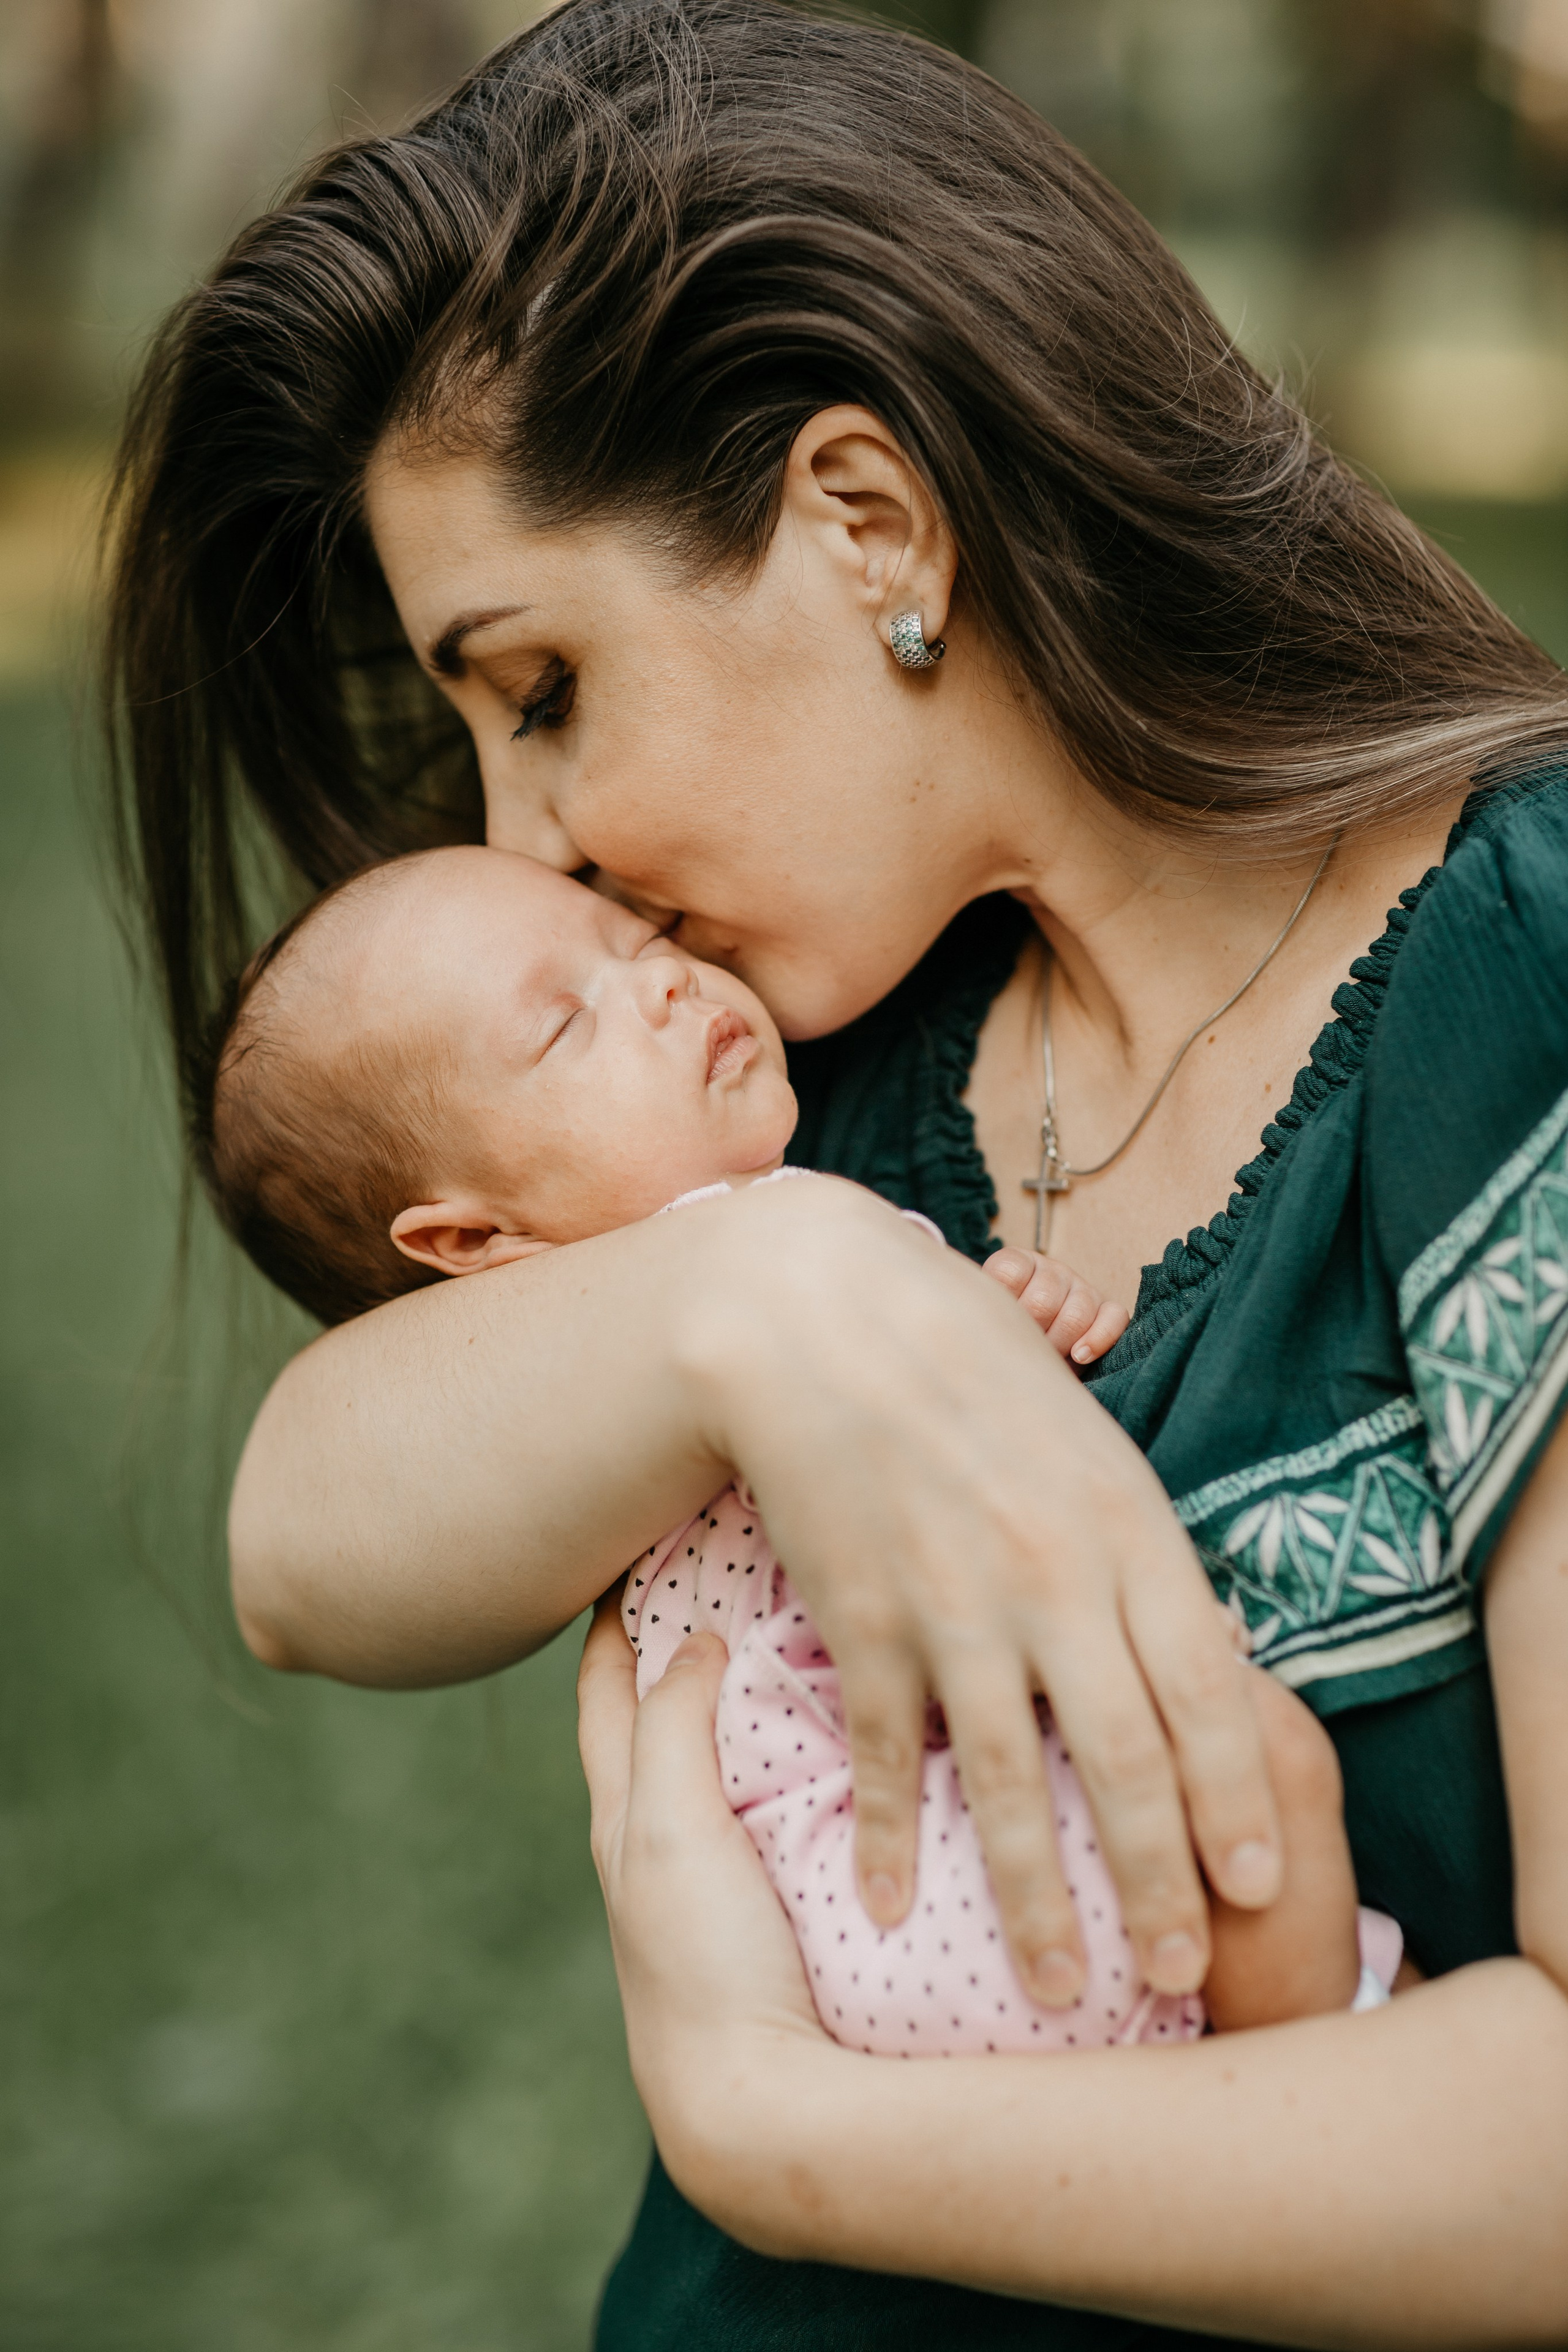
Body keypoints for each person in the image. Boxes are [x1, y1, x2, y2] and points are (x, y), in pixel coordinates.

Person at [102, 1, 1568, 2342]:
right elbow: (303, 1540)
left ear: (864, 523)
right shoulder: (803, 1065)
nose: (524, 844)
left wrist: (791, 2144)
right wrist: (757, 1299)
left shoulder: (1522, 973)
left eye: (543, 688)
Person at [194, 839, 1394, 2052]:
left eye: (641, 943)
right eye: (565, 1027)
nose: (662, 983)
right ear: (469, 1242)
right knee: (1265, 1783)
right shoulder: (644, 1339)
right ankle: (1345, 2072)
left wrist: (1007, 1319)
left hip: (864, 1912)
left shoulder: (738, 1264)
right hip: (925, 1865)